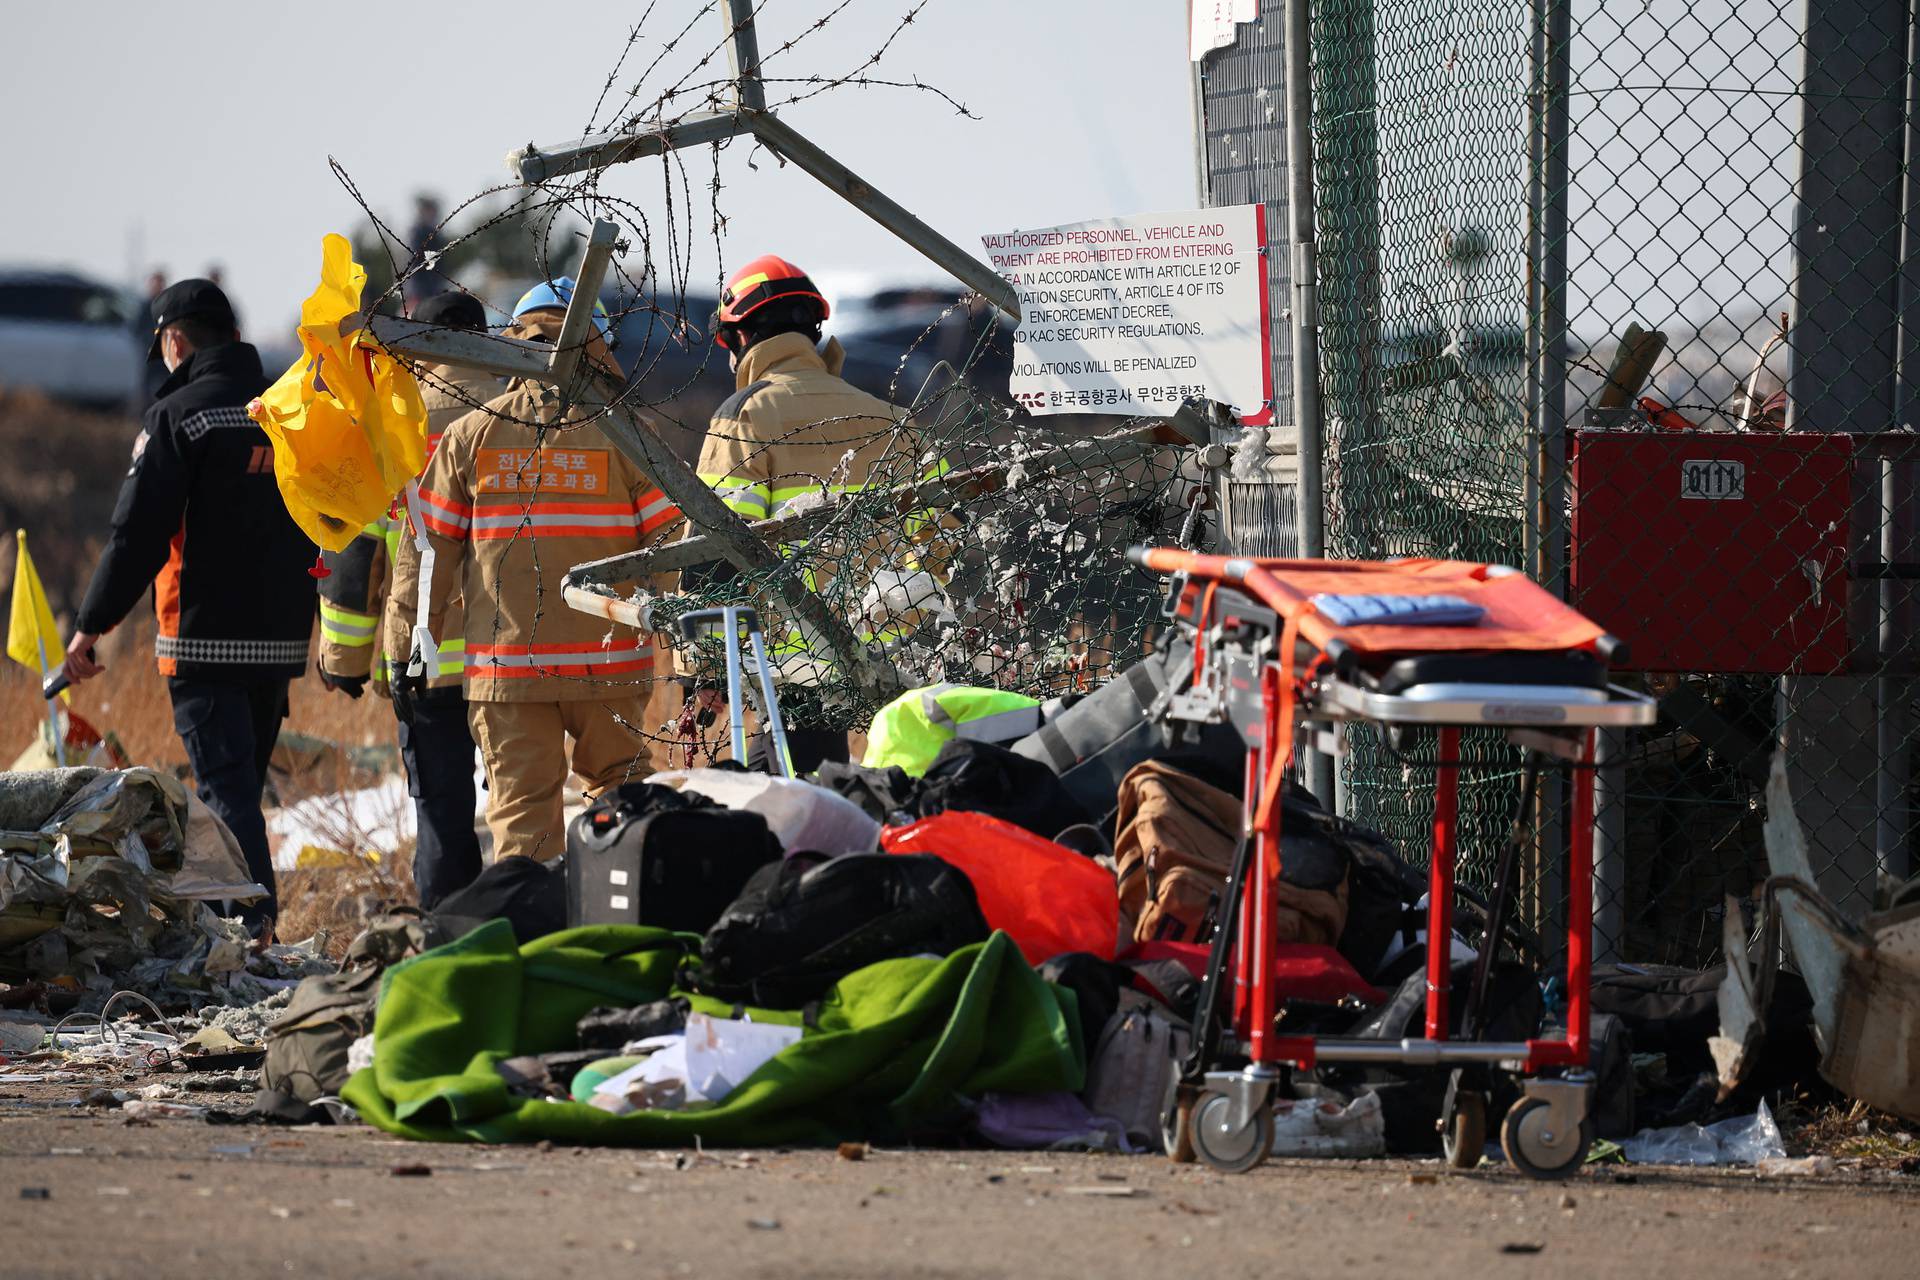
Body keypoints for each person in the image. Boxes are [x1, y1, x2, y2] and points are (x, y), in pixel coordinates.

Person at [386, 278, 682, 864]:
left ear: (514, 340)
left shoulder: (471, 436)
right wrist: (681, 651)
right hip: (610, 666)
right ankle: (625, 932)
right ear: (598, 343)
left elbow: (429, 555)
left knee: (524, 833)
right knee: (625, 814)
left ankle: (534, 942)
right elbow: (671, 550)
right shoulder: (630, 437)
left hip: (509, 674)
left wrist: (403, 651)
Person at [63, 278, 315, 932]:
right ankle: (236, 920)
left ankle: (250, 929)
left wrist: (92, 625)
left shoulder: (180, 417)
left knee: (226, 793)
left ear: (175, 341)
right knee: (239, 790)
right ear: (235, 337)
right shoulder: (287, 412)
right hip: (281, 639)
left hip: (203, 641)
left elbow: (136, 536)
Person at [693, 254, 945, 774]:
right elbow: (943, 545)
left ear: (741, 338)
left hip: (793, 658)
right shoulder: (897, 420)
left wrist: (706, 669)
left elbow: (714, 551)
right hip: (894, 650)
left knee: (792, 792)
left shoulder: (746, 414)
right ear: (813, 328)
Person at [314, 291, 496, 907]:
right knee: (527, 805)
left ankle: (448, 938)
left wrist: (343, 657)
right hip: (520, 648)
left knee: (443, 809)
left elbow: (358, 548)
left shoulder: (394, 415)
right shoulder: (527, 408)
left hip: (429, 649)